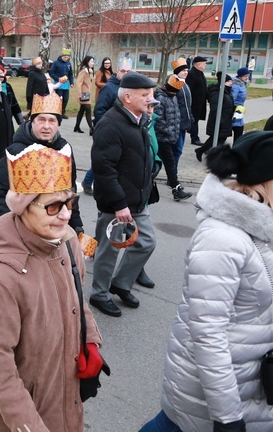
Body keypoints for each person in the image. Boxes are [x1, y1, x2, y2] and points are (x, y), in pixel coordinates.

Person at [140, 131, 273, 432]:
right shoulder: (222, 239)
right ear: (268, 177)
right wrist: (227, 416)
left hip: (254, 384)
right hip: (209, 398)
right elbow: (207, 334)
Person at [0, 142, 104, 431]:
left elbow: (78, 301)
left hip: (66, 397)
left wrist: (90, 339)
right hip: (20, 417)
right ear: (24, 207)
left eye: (70, 202)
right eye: (53, 206)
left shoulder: (68, 242)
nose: (66, 215)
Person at [89, 72, 158, 317]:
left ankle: (120, 284)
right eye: (145, 94)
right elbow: (104, 170)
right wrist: (119, 204)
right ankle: (99, 295)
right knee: (109, 251)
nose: (151, 98)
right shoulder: (110, 123)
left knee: (146, 242)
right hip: (116, 204)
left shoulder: (139, 118)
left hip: (138, 200)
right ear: (127, 97)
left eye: (151, 93)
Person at [0, 93, 84, 231]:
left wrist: (76, 224)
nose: (47, 126)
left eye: (52, 121)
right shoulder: (16, 152)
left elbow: (70, 191)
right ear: (32, 121)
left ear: (58, 123)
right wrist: (9, 230)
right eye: (41, 120)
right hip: (25, 229)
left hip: (57, 227)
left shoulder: (64, 150)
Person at [83, 58, 133, 196]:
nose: (126, 73)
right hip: (108, 131)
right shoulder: (109, 88)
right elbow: (99, 110)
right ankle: (88, 182)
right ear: (117, 71)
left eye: (128, 71)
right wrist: (105, 128)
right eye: (123, 71)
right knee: (104, 159)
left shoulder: (129, 88)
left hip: (123, 130)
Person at [153, 75, 193, 201]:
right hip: (161, 138)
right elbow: (158, 120)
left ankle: (173, 186)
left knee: (157, 163)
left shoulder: (173, 97)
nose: (175, 94)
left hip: (169, 138)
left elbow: (176, 114)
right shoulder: (160, 99)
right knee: (169, 162)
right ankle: (176, 187)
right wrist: (169, 131)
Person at [195, 72, 234, 162]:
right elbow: (215, 108)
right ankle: (212, 156)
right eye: (228, 81)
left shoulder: (226, 91)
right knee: (216, 139)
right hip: (219, 121)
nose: (231, 83)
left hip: (225, 120)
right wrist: (219, 121)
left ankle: (202, 151)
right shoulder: (217, 93)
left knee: (218, 139)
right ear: (223, 83)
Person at [186, 56, 208, 145]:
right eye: (204, 63)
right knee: (194, 120)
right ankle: (194, 138)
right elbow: (189, 89)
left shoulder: (200, 73)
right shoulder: (191, 74)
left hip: (200, 102)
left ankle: (193, 134)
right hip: (194, 102)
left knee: (196, 120)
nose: (205, 65)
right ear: (198, 64)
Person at [49, 48, 74, 119]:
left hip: (66, 84)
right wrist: (58, 78)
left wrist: (71, 82)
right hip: (58, 84)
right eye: (65, 57)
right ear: (62, 56)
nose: (66, 58)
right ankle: (58, 112)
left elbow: (70, 74)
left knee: (66, 99)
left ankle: (63, 112)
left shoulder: (69, 64)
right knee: (59, 98)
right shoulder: (56, 63)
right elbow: (52, 73)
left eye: (67, 57)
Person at [74, 56, 95, 134]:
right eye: (92, 61)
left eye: (93, 61)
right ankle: (91, 128)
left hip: (87, 94)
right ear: (87, 62)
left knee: (82, 110)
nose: (93, 63)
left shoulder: (89, 71)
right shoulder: (83, 71)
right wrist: (79, 94)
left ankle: (76, 126)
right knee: (88, 109)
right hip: (83, 94)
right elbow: (79, 82)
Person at [232, 67, 250, 140]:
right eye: (245, 76)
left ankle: (236, 146)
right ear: (240, 76)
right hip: (235, 108)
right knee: (238, 128)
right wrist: (233, 109)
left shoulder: (241, 83)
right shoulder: (236, 84)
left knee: (238, 127)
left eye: (247, 76)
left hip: (239, 108)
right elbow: (233, 97)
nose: (247, 78)